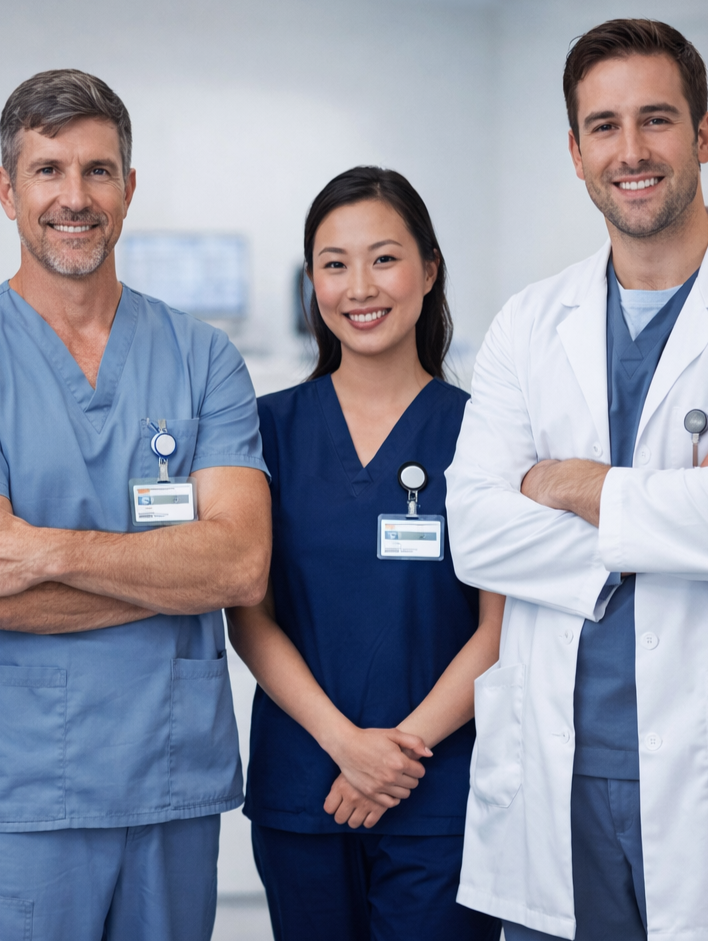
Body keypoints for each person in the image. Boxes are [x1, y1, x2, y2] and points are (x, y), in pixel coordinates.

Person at [447, 18, 708, 941]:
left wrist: (574, 482)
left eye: (657, 120)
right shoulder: (528, 321)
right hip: (559, 778)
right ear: (578, 154)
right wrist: (682, 494)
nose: (631, 151)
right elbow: (475, 530)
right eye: (603, 127)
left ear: (703, 136)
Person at [0, 69, 270, 941]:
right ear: (7, 189)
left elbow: (241, 564)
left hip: (171, 780)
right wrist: (168, 569)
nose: (75, 197)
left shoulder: (202, 357)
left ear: (130, 189)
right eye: (49, 170)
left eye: (99, 171)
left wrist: (43, 551)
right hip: (20, 793)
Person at [226, 166, 503, 941]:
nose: (359, 286)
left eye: (383, 257)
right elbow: (248, 614)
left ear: (429, 269)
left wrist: (398, 756)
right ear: (311, 281)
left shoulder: (484, 431)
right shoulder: (266, 429)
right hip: (306, 784)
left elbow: (500, 627)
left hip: (442, 791)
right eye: (333, 263)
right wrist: (347, 746)